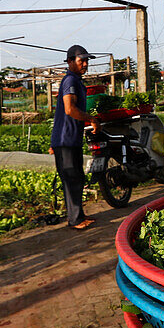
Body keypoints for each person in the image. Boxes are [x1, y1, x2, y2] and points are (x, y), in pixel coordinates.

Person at [51, 44, 102, 230]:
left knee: (77, 178)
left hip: (69, 139)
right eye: (82, 61)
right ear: (70, 61)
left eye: (87, 61)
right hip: (65, 140)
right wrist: (91, 119)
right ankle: (75, 220)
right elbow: (69, 109)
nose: (86, 64)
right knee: (72, 178)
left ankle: (79, 215)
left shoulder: (76, 81)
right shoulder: (70, 81)